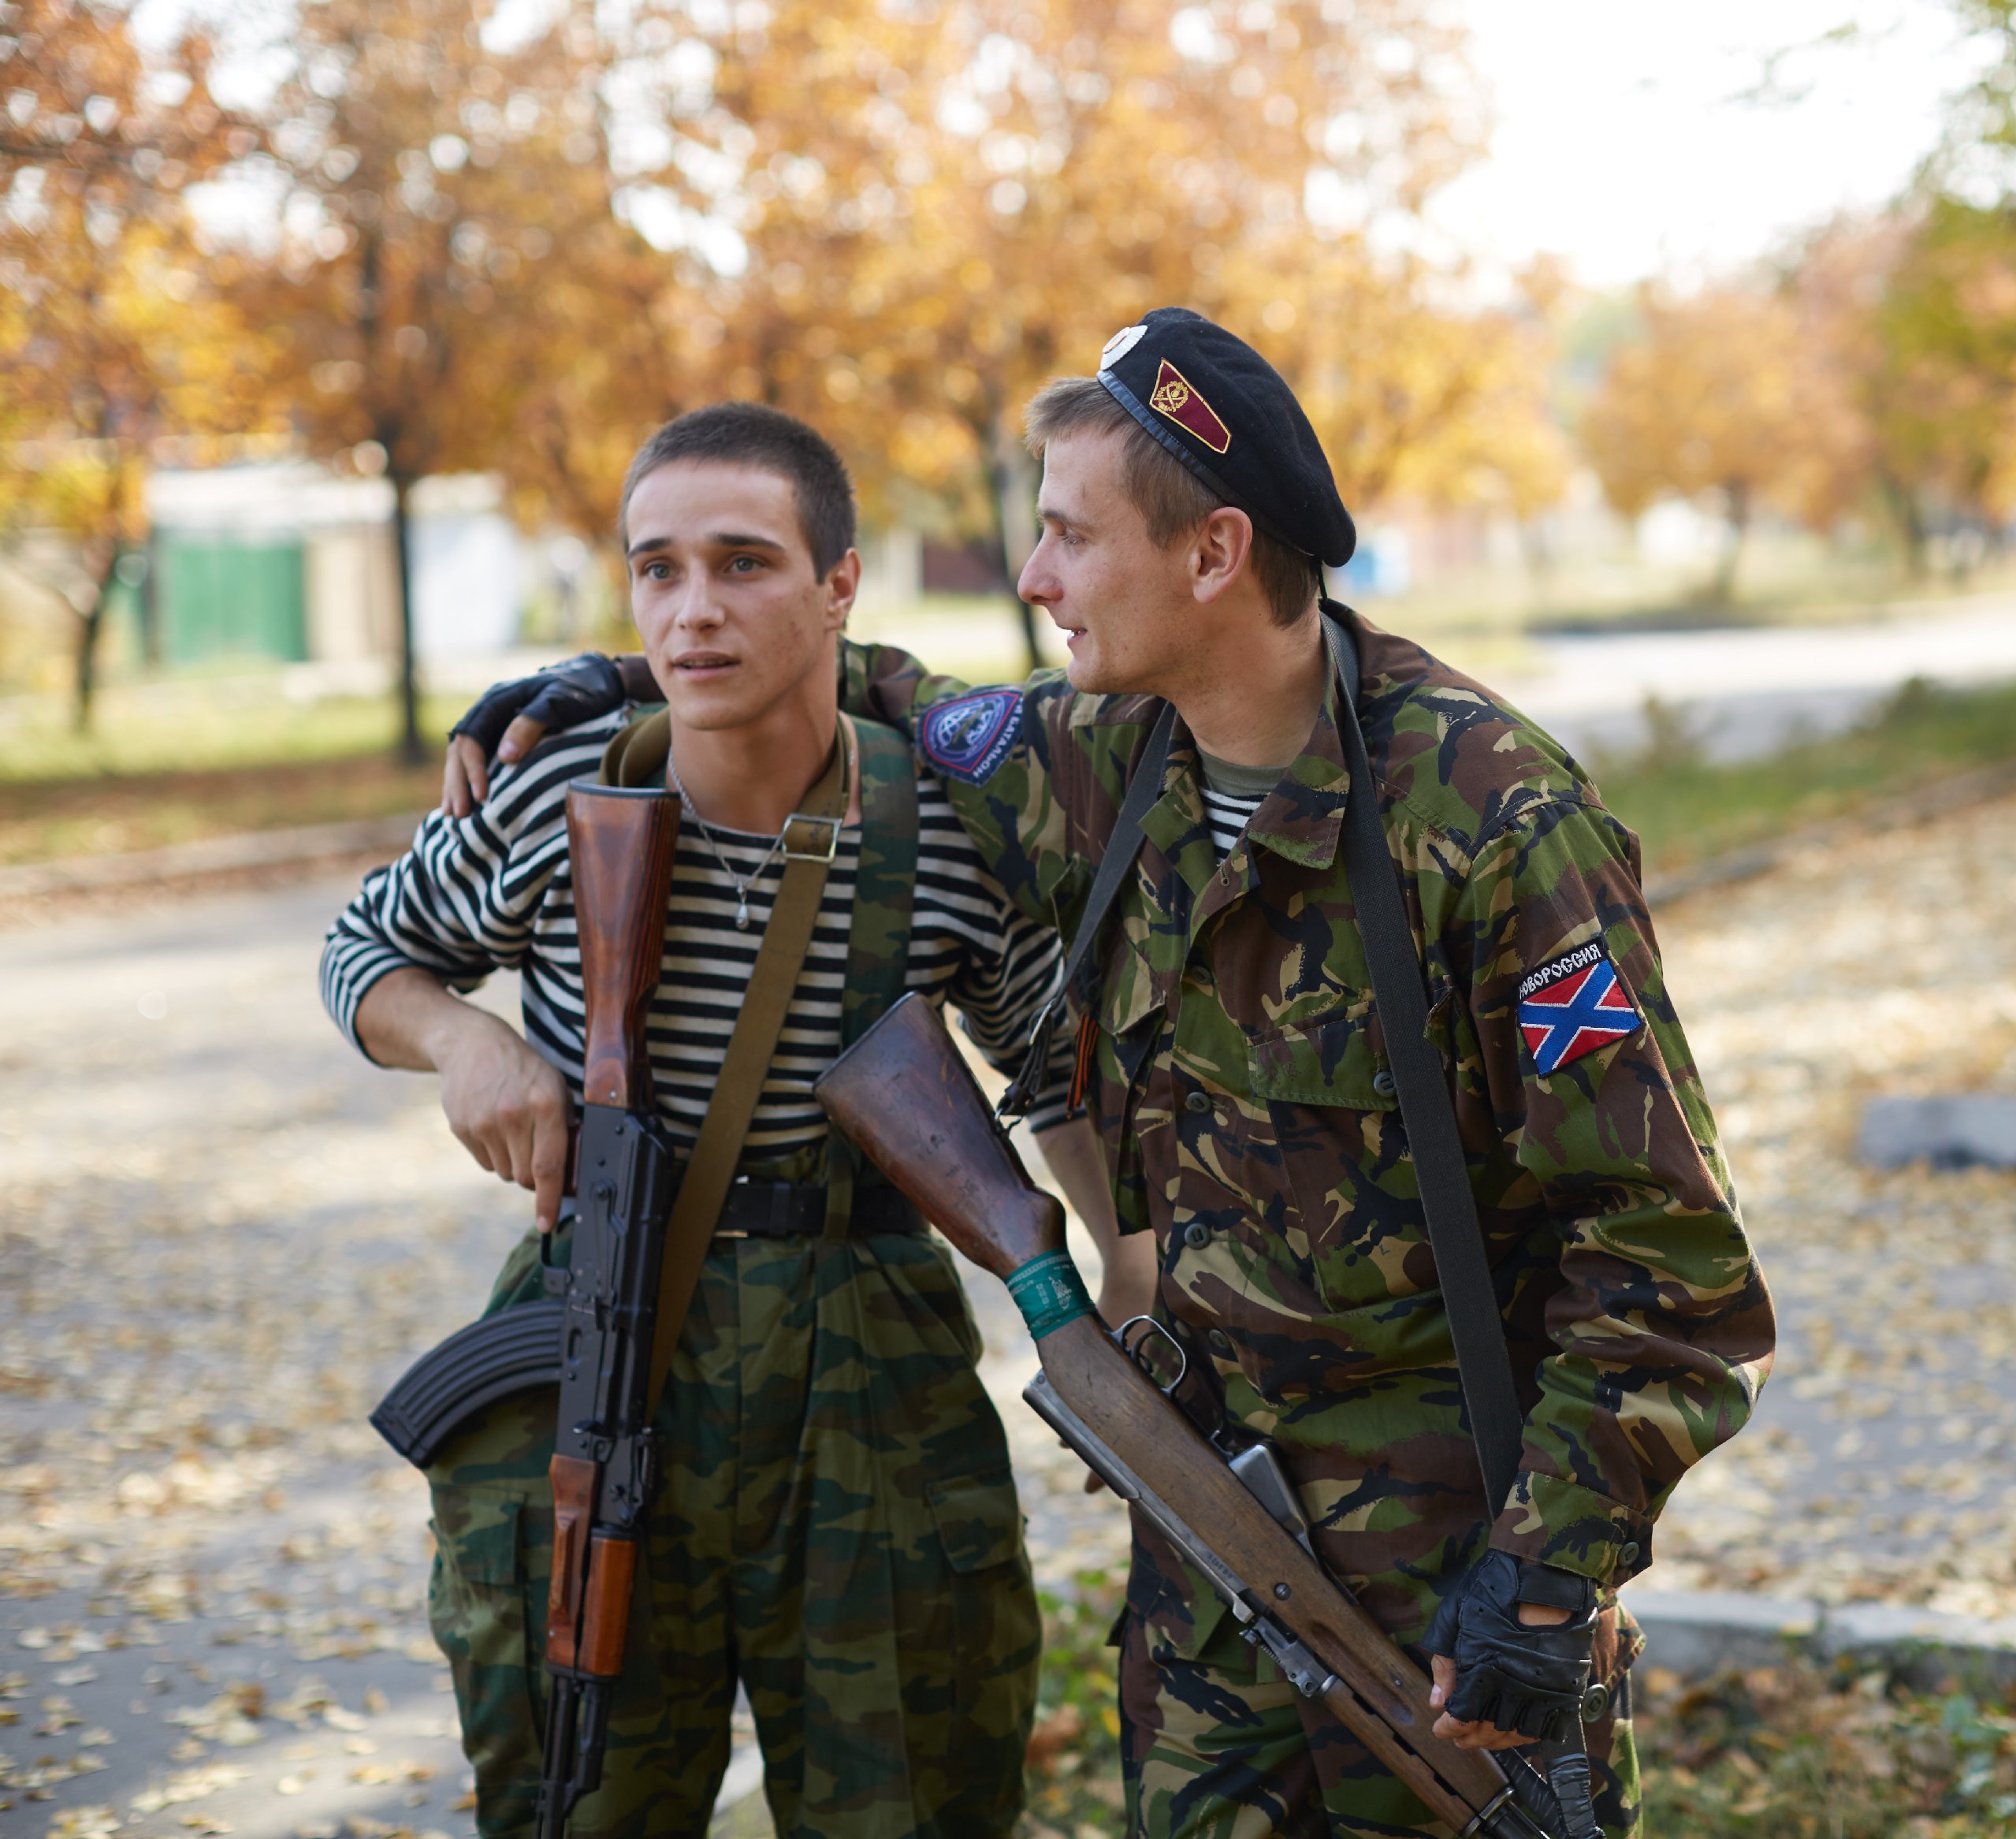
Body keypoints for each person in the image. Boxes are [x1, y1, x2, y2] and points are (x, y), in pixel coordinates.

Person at [442, 311, 1776, 1839]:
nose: (1032, 579)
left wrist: (1544, 1586)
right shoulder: (1091, 760)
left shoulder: (1491, 821)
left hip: (1448, 1586)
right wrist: (612, 673)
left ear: (1212, 557)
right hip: (1208, 1546)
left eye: (1070, 537)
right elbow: (864, 680)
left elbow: (1664, 1258)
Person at [326, 402, 1127, 1837]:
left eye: (745, 563)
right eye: (658, 569)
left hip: (869, 1364)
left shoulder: (947, 828)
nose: (693, 610)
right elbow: (364, 951)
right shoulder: (559, 792)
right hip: (598, 1342)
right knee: (583, 1792)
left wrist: (1118, 1275)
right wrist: (463, 1040)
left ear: (840, 587)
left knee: (917, 1795)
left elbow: (1050, 1069)